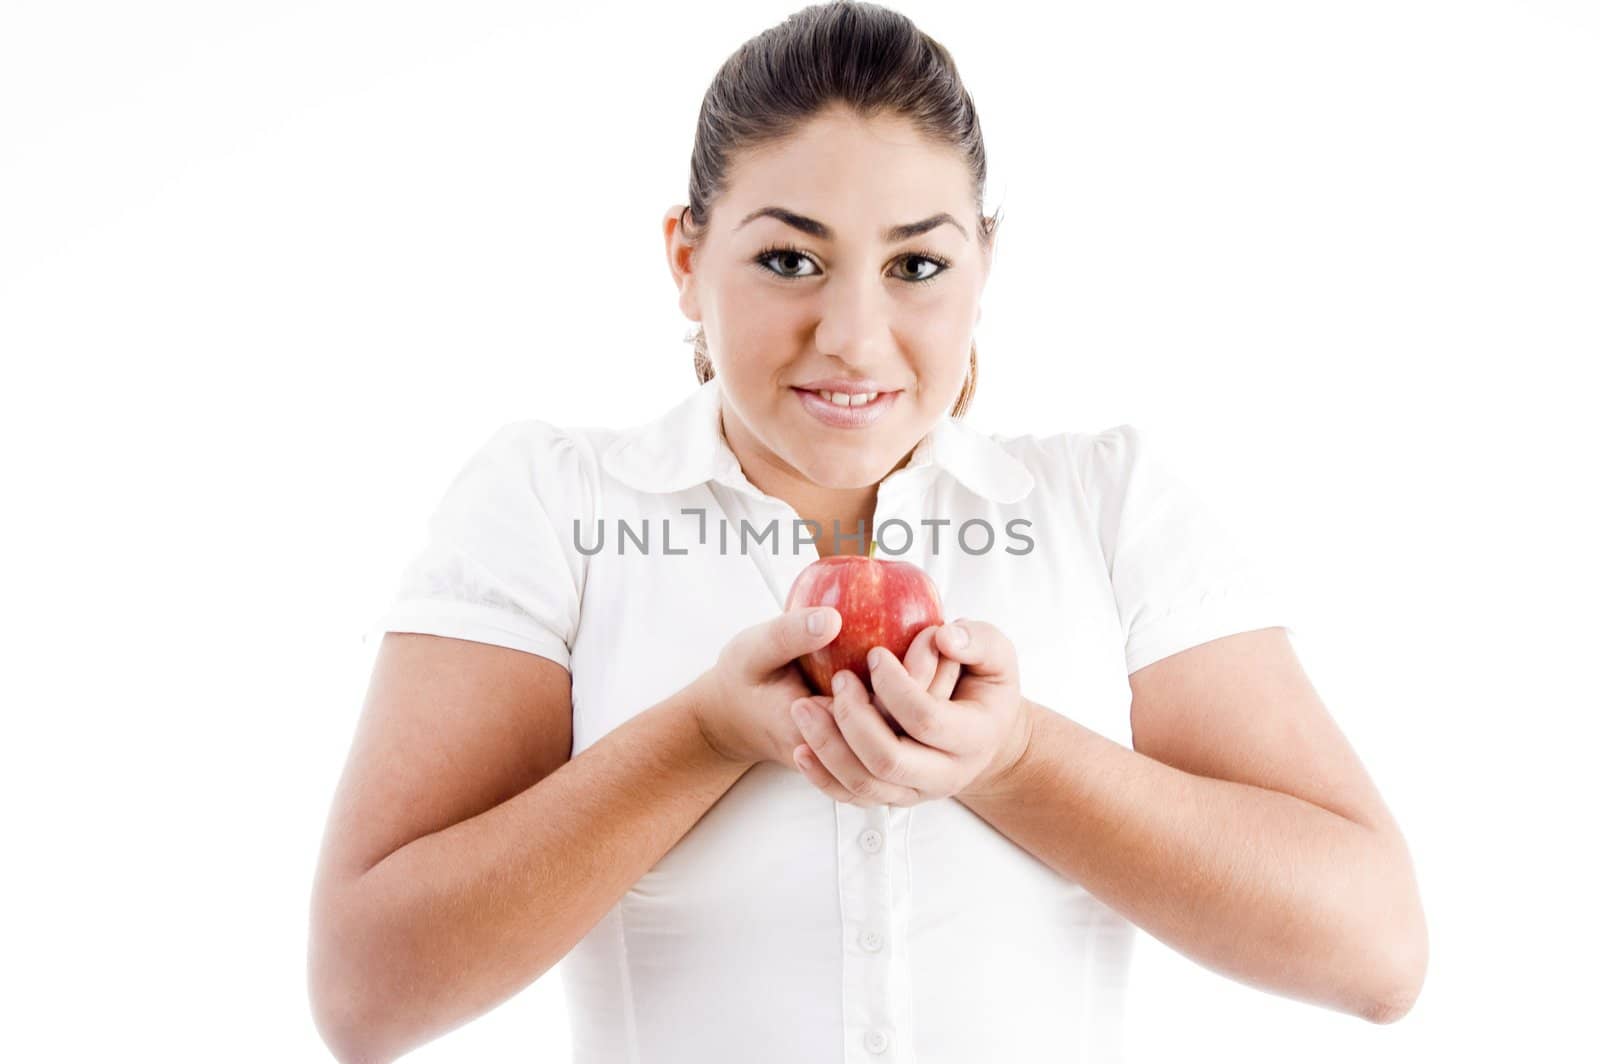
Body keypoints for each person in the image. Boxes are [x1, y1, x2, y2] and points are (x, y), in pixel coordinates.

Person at [308, 2, 1427, 1061]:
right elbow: (366, 992)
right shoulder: (553, 506)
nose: (853, 336)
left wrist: (1018, 757)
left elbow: (1376, 952)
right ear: (686, 260)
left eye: (916, 266)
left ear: (984, 267)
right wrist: (702, 735)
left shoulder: (1106, 504)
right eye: (788, 258)